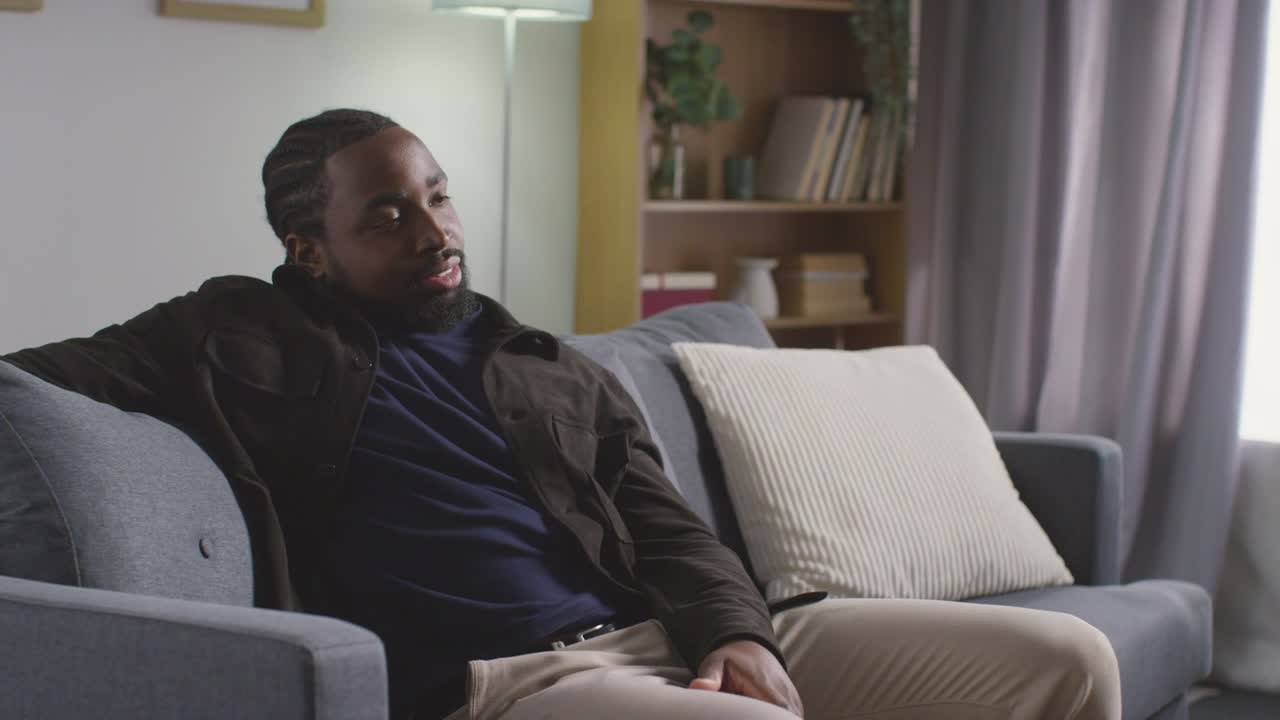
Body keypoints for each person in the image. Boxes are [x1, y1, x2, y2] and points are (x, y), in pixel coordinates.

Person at [2, 109, 1122, 720]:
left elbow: (669, 524)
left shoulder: (535, 361)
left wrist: (734, 631)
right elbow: (32, 374)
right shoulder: (231, 335)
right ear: (312, 250)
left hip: (670, 634)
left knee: (1064, 661)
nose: (434, 229)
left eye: (436, 194)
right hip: (524, 682)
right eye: (388, 215)